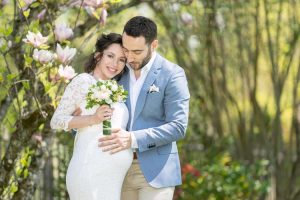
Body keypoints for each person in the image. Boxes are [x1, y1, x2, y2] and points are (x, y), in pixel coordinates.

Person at [98, 16, 190, 200]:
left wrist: (132, 139)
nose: (130, 57)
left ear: (153, 44)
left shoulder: (172, 74)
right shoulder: (116, 72)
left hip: (156, 171)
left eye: (137, 51)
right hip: (117, 170)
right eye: (126, 49)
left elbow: (178, 126)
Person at [50, 33, 133, 200]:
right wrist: (92, 119)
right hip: (89, 171)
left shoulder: (116, 90)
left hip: (113, 178)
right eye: (110, 56)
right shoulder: (83, 81)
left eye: (121, 60)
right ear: (98, 56)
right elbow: (56, 121)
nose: (115, 64)